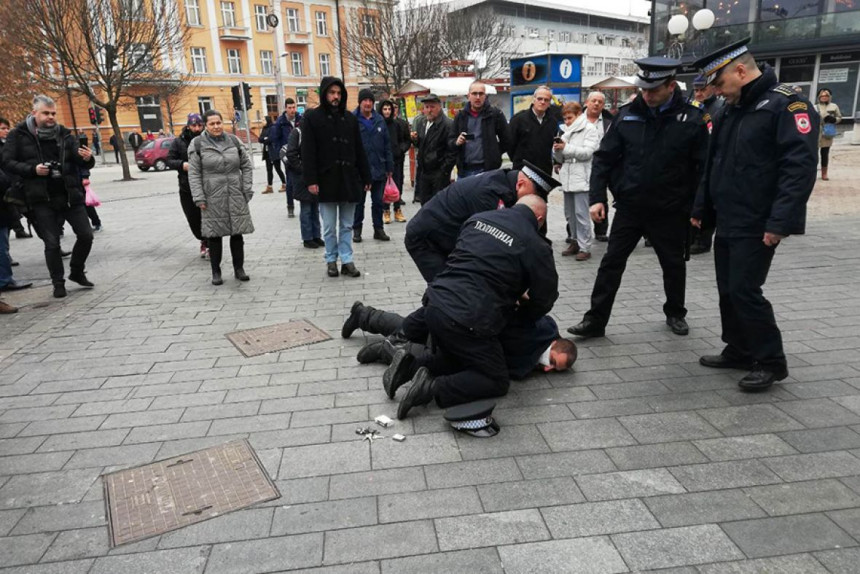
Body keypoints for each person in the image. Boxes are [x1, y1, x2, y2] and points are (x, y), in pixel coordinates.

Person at [691, 38, 818, 391]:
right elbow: (713, 164)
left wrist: (780, 222)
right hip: (730, 216)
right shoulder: (729, 107)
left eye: (718, 82)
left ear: (741, 71)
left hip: (758, 220)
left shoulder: (786, 105)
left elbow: (799, 168)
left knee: (745, 290)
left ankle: (771, 361)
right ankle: (739, 348)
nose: (715, 90)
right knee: (728, 289)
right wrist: (702, 209)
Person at [568, 58, 709, 340]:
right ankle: (595, 320)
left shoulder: (691, 119)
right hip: (631, 207)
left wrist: (698, 208)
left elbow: (703, 169)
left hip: (670, 209)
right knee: (611, 263)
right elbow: (604, 159)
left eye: (653, 90)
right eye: (643, 89)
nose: (646, 95)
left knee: (672, 263)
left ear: (671, 86)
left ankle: (675, 312)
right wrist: (598, 198)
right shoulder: (627, 115)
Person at [389, 195, 559, 419]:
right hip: (468, 318)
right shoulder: (536, 244)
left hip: (434, 301)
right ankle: (431, 388)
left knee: (465, 357)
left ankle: (411, 366)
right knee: (495, 378)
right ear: (539, 219)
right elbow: (544, 298)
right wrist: (522, 314)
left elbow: (472, 260)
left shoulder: (478, 219)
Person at [2, 95, 96, 299]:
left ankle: (77, 271)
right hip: (40, 198)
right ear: (34, 112)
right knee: (52, 243)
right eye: (46, 113)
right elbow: (6, 162)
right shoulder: (18, 134)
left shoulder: (63, 133)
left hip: (69, 194)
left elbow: (79, 161)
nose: (51, 117)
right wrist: (32, 169)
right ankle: (58, 283)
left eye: (53, 113)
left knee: (86, 235)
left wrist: (87, 158)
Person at [405, 160, 560, 282]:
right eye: (532, 196)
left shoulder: (505, 184)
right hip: (426, 240)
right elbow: (490, 244)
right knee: (447, 290)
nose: (531, 201)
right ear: (521, 184)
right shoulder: (490, 194)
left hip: (447, 235)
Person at [341, 302, 576, 383]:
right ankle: (383, 346)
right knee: (419, 339)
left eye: (555, 370)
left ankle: (364, 315)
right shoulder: (538, 334)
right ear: (556, 345)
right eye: (553, 361)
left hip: (468, 325)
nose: (548, 368)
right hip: (468, 328)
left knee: (412, 328)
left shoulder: (541, 341)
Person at [301, 76, 371, 278]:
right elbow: (308, 152)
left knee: (347, 224)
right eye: (332, 93)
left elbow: (359, 149)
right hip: (326, 181)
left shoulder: (349, 118)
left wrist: (366, 176)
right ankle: (331, 259)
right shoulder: (313, 118)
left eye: (339, 93)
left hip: (349, 179)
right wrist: (311, 180)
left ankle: (347, 260)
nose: (336, 97)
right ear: (325, 94)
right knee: (330, 226)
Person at [189, 109, 254, 285]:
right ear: (206, 125)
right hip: (212, 196)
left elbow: (247, 166)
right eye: (212, 123)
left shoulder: (233, 141)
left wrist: (246, 188)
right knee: (214, 235)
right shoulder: (197, 144)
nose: (216, 126)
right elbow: (194, 174)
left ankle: (239, 269)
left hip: (235, 193)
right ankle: (216, 272)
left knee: (237, 233)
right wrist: (199, 197)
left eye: (219, 122)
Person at [552, 101, 599, 260]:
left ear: (578, 114)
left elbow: (587, 153)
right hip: (568, 175)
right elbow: (561, 157)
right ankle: (574, 240)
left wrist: (565, 148)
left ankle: (585, 246)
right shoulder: (565, 131)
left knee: (581, 214)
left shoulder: (589, 129)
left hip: (582, 175)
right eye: (565, 118)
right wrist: (557, 151)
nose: (567, 121)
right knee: (569, 214)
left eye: (569, 117)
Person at [689, 75, 725, 256]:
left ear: (712, 88)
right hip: (693, 162)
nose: (699, 93)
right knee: (693, 200)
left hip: (708, 161)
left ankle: (703, 240)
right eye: (696, 90)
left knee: (705, 201)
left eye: (702, 89)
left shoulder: (718, 108)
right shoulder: (694, 107)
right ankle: (692, 236)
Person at [352, 89, 392, 243]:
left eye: (370, 100)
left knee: (378, 202)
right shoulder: (353, 119)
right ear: (360, 102)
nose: (368, 103)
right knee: (359, 203)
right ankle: (357, 230)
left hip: (379, 168)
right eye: (365, 100)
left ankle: (378, 229)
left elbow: (387, 145)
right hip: (360, 170)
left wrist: (389, 167)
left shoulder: (379, 120)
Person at [167, 113, 208, 258]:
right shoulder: (179, 142)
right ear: (188, 125)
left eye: (199, 125)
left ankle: (209, 243)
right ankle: (202, 238)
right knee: (193, 218)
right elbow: (169, 160)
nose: (197, 128)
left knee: (208, 217)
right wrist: (182, 165)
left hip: (207, 185)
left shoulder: (208, 139)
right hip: (187, 187)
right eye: (194, 125)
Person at [450, 81, 509, 179]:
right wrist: (456, 142)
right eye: (474, 93)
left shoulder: (495, 115)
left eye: (481, 94)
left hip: (487, 171)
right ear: (468, 96)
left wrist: (494, 152)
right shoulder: (460, 116)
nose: (478, 97)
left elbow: (507, 140)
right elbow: (450, 141)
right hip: (465, 171)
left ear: (485, 96)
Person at [283, 125, 323, 249]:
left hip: (314, 175)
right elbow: (291, 153)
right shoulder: (298, 132)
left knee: (315, 207)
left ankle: (316, 235)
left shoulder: (315, 131)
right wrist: (301, 169)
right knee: (306, 208)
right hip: (301, 177)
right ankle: (307, 238)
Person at [411, 94, 455, 205]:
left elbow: (452, 151)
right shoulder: (422, 123)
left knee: (438, 206)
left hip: (439, 173)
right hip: (424, 172)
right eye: (426, 107)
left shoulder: (447, 124)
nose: (429, 110)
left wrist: (444, 171)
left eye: (432, 107)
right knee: (425, 205)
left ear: (439, 107)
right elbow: (423, 146)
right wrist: (415, 140)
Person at [583, 92, 614, 242]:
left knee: (601, 196)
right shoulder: (576, 119)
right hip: (581, 164)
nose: (596, 104)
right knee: (578, 199)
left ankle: (601, 230)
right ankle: (574, 232)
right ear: (587, 102)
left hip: (604, 164)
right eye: (594, 101)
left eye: (600, 102)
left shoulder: (610, 121)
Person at [508, 86, 559, 175]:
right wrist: (519, 161)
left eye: (546, 100)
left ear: (549, 103)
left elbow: (553, 146)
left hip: (544, 172)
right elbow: (509, 145)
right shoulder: (518, 119)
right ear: (533, 99)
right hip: (522, 171)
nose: (542, 102)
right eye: (540, 99)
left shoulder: (553, 122)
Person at [379, 100, 410, 224]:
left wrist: (400, 150)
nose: (387, 112)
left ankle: (397, 209)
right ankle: (385, 210)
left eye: (389, 109)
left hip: (397, 160)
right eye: (384, 109)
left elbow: (407, 140)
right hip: (382, 161)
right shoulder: (378, 124)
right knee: (384, 187)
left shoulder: (398, 124)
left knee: (397, 184)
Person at [0, 118, 31, 240]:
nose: (6, 131)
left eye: (7, 128)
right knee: (8, 219)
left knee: (33, 215)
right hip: (5, 187)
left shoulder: (9, 143)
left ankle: (53, 246)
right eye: (3, 128)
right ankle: (5, 256)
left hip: (17, 184)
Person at [270, 98, 302, 215]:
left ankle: (306, 203)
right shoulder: (280, 122)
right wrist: (281, 153)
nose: (292, 110)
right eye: (290, 108)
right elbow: (275, 139)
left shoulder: (300, 119)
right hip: (287, 155)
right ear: (285, 108)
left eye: (294, 107)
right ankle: (290, 206)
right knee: (290, 181)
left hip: (301, 154)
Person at [816, 88, 841, 181]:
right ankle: (812, 172)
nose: (824, 97)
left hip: (827, 132)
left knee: (825, 154)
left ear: (829, 96)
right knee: (814, 154)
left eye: (826, 95)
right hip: (816, 132)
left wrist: (835, 120)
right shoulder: (815, 106)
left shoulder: (834, 106)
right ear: (819, 97)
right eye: (822, 96)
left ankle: (824, 173)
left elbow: (839, 117)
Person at [258, 116, 286, 194]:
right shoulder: (264, 129)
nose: (262, 121)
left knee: (278, 169)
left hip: (274, 152)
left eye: (263, 120)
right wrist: (265, 139)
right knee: (269, 170)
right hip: (267, 153)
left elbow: (271, 139)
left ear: (267, 120)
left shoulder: (273, 128)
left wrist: (265, 139)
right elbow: (259, 139)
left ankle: (284, 184)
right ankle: (269, 187)